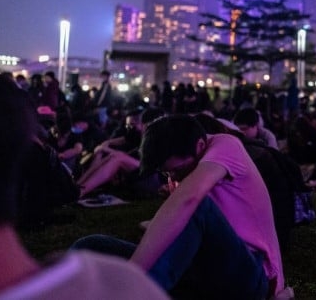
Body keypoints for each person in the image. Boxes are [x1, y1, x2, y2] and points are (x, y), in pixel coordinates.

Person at [0, 70, 169, 299]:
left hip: (149, 176)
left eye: (136, 122)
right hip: (133, 174)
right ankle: (78, 187)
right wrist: (106, 146)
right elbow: (114, 143)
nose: (134, 125)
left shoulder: (158, 140)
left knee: (116, 159)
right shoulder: (128, 285)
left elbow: (148, 164)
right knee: (110, 156)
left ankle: (79, 189)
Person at [72, 114, 292, 299]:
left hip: (250, 276)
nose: (172, 177)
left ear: (199, 146)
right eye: (167, 173)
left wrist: (133, 271)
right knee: (91, 246)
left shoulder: (226, 145)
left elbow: (189, 201)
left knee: (196, 206)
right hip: (199, 271)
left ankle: (141, 291)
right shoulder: (188, 170)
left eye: (176, 170)